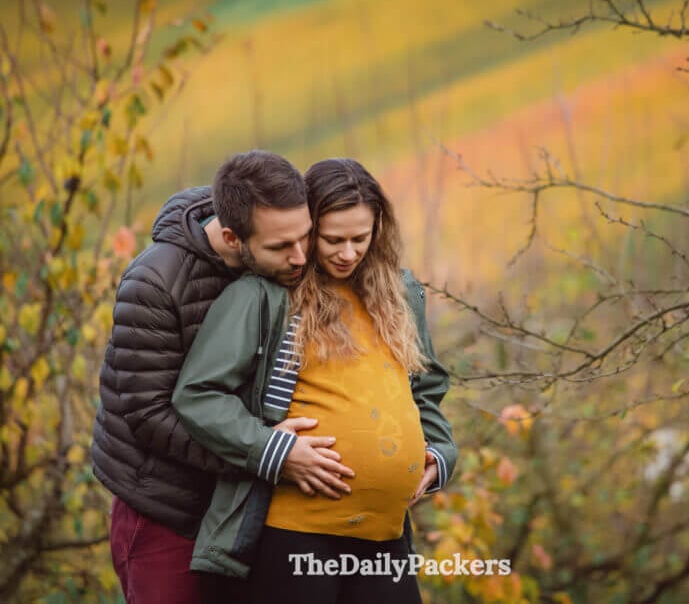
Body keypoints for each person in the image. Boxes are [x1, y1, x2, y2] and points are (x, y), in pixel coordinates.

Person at [173, 157, 457, 603]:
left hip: (386, 536)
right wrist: (272, 448)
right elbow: (198, 395)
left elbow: (427, 387)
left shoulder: (401, 294)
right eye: (333, 239)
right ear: (309, 230)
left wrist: (440, 453)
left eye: (360, 238)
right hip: (294, 534)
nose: (348, 252)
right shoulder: (264, 297)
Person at [91, 150, 351, 604]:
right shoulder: (154, 284)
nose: (300, 256)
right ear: (232, 237)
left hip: (245, 506)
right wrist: (267, 454)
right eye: (279, 247)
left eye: (305, 237)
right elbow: (148, 415)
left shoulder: (279, 240)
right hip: (166, 510)